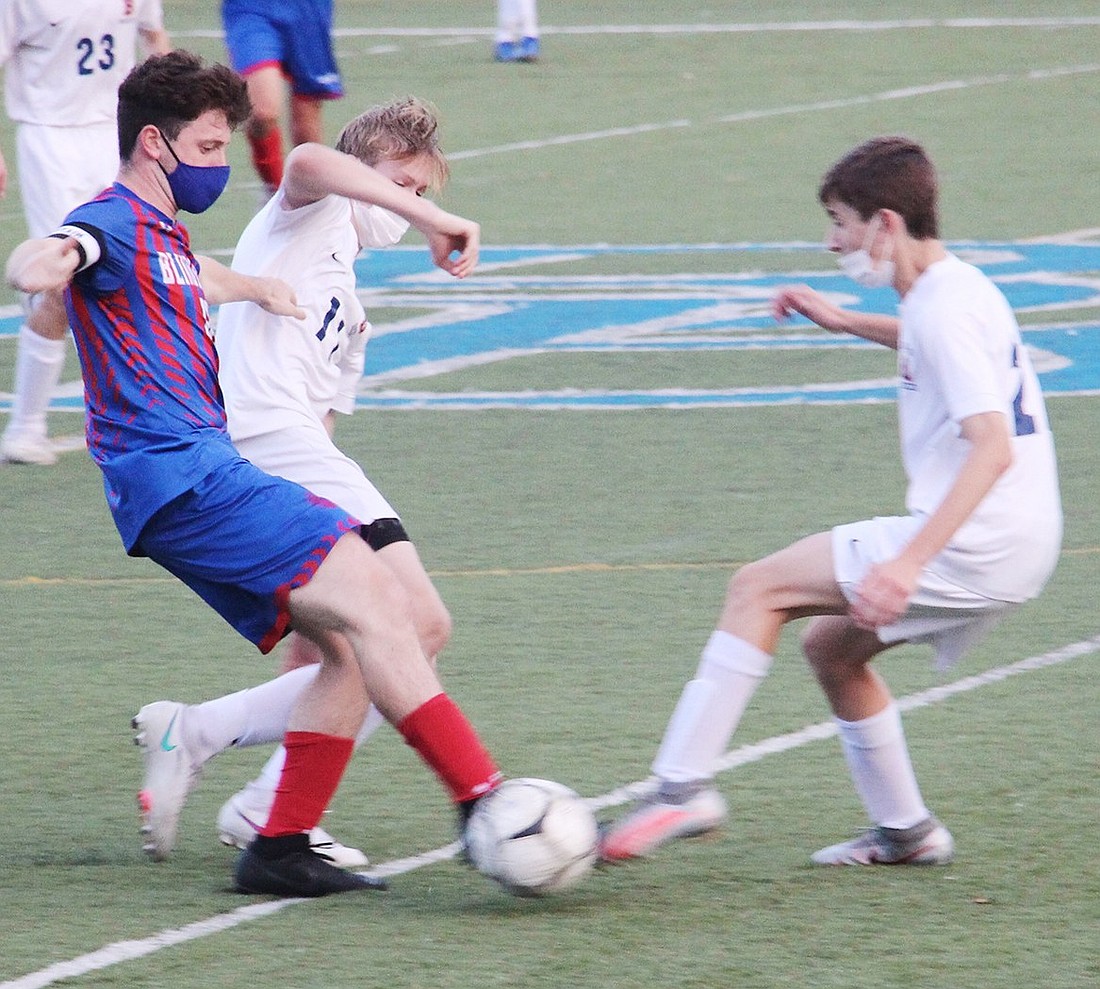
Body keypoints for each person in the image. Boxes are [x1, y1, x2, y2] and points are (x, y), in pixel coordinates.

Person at [6, 50, 503, 898]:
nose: (219, 165)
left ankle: (275, 829)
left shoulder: (167, 236)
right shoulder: (120, 219)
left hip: (214, 468)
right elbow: (61, 252)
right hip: (191, 471)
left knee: (352, 639)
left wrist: (252, 288)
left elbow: (185, 277)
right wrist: (41, 269)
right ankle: (484, 801)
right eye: (206, 147)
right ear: (156, 145)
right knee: (396, 614)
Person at [599, 136, 1062, 866]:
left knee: (758, 586)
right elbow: (931, 345)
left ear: (885, 223)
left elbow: (992, 445)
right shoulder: (959, 287)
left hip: (983, 538)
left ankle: (681, 787)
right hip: (1021, 537)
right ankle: (907, 831)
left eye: (840, 223)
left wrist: (909, 562)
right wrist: (847, 321)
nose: (832, 242)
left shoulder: (941, 310)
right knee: (832, 648)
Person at [132, 97, 459, 870]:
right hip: (265, 439)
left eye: (423, 195)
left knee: (345, 646)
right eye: (401, 186)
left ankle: (230, 764)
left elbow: (329, 425)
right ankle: (248, 787)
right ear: (362, 176)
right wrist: (425, 217)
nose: (410, 207)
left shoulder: (353, 309)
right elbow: (309, 161)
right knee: (420, 626)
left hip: (292, 457)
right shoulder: (309, 216)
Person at [0, 0, 170, 465]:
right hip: (49, 137)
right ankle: (26, 427)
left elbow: (154, 40)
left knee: (144, 262)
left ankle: (154, 413)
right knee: (61, 277)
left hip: (118, 136)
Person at [220, 0, 342, 196]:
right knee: (262, 112)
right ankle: (276, 194)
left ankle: (315, 203)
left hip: (308, 9)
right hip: (251, 8)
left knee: (306, 125)